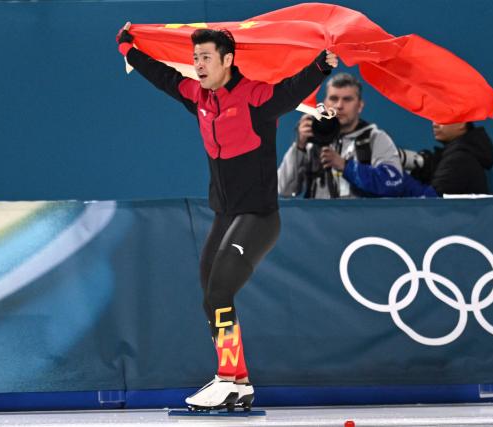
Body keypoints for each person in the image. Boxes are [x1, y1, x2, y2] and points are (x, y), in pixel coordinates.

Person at [116, 23, 337, 410]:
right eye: (195, 57)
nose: (198, 65)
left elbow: (289, 91)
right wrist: (131, 53)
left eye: (206, 57)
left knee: (219, 291)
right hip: (225, 214)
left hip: (259, 217)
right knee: (211, 295)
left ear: (228, 60)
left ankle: (226, 377)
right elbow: (165, 78)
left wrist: (321, 67)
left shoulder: (255, 96)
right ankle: (239, 381)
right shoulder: (197, 96)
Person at [278, 72, 403, 199]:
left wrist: (345, 166)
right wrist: (300, 146)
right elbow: (284, 189)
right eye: (333, 99)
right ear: (325, 103)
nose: (339, 106)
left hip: (362, 218)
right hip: (318, 218)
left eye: (347, 99)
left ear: (360, 106)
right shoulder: (312, 141)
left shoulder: (375, 139)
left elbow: (393, 184)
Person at [399, 121, 493, 196]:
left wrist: (400, 180)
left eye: (441, 118)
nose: (434, 124)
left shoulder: (459, 160)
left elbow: (431, 204)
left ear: (461, 123)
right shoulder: (461, 155)